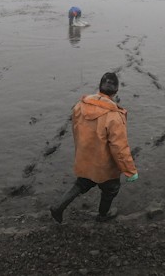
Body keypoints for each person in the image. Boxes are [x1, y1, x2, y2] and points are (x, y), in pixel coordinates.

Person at [50, 72, 138, 223]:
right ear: (116, 91)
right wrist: (130, 171)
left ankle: (58, 207)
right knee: (111, 189)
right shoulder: (114, 116)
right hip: (104, 166)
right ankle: (103, 215)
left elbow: (76, 130)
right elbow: (120, 148)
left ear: (99, 88)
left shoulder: (79, 106)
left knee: (81, 183)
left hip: (85, 158)